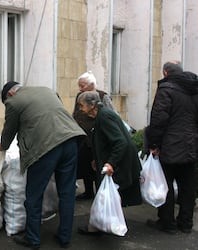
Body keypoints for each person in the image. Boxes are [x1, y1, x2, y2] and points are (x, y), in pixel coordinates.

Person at [0, 82, 86, 249]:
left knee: (34, 195)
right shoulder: (47, 90)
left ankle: (33, 238)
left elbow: (10, 129)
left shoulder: (13, 102)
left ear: (10, 95)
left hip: (46, 148)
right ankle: (65, 237)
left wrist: (3, 146)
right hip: (71, 141)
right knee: (66, 193)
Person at [76, 90, 142, 234]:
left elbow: (120, 142)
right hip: (116, 160)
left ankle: (100, 225)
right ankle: (99, 224)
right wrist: (96, 158)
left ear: (92, 105)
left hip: (119, 162)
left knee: (106, 194)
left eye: (81, 105)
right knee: (106, 194)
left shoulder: (104, 116)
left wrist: (110, 163)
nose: (80, 109)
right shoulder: (101, 115)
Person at [146, 61, 198, 234]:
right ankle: (186, 223)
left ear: (166, 73)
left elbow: (159, 119)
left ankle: (167, 223)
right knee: (188, 186)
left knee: (165, 184)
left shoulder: (166, 89)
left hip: (170, 146)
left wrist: (154, 144)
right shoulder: (194, 88)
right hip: (191, 145)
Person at [73, 71, 115, 200]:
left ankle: (100, 192)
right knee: (85, 164)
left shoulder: (103, 96)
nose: (80, 88)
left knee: (97, 165)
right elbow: (75, 112)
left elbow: (111, 113)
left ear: (91, 84)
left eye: (83, 85)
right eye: (79, 85)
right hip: (83, 137)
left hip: (96, 137)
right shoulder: (80, 96)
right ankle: (88, 191)